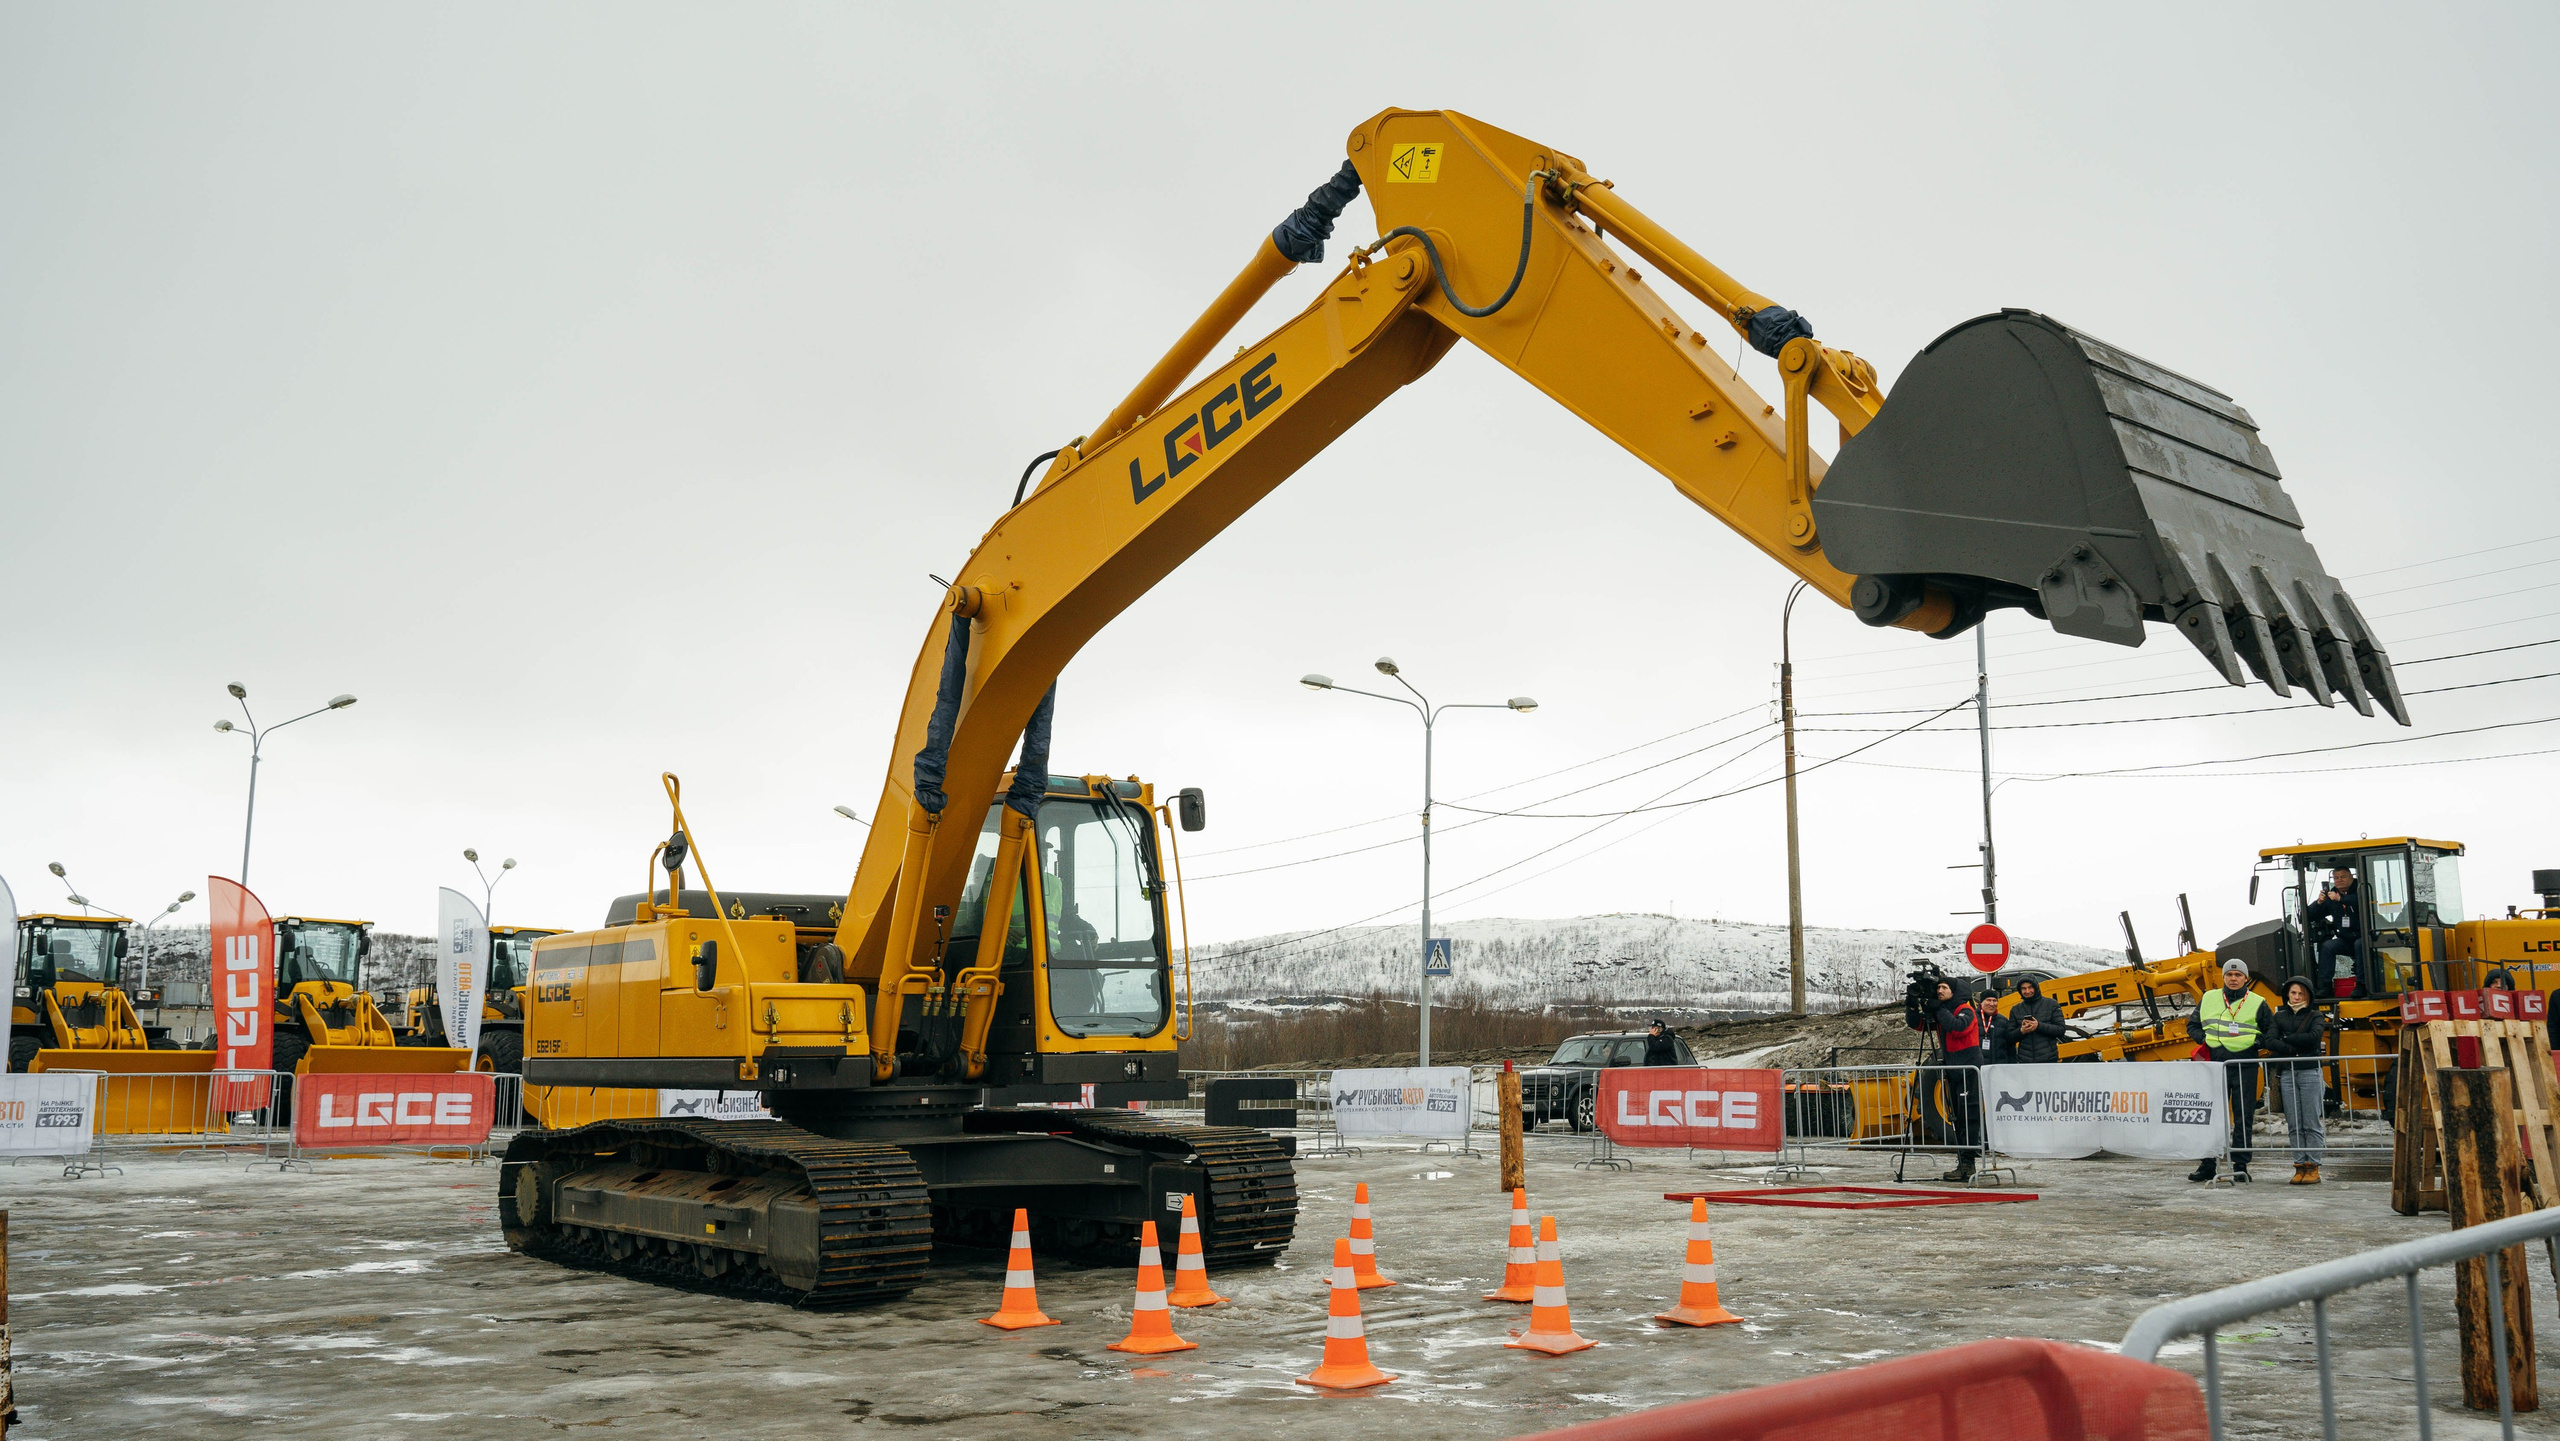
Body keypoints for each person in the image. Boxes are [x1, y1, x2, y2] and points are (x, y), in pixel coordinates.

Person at [2191, 958, 2273, 1183]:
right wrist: (2204, 1040)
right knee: (2212, 1116)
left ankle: (2240, 1165)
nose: (2234, 979)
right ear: (2223, 977)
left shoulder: (2258, 1002)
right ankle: (2208, 1163)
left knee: (2243, 1116)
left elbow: (2271, 1032)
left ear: (2246, 978)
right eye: (2229, 975)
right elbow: (2193, 1025)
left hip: (2245, 1064)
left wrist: (2258, 1043)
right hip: (2215, 1064)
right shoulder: (2209, 998)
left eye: (2238, 975)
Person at [2265, 976, 2328, 1184]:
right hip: (2288, 1074)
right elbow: (2270, 1040)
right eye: (2293, 992)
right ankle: (2299, 1165)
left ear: (2308, 995)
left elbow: (2314, 1038)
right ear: (2287, 995)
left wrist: (2286, 1039)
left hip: (2310, 1072)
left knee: (2311, 1121)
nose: (2297, 996)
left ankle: (2313, 1166)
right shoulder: (2279, 1016)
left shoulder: (2316, 1015)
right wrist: (2293, 1047)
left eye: (2301, 993)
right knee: (2294, 1122)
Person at [1931, 979, 1985, 1182]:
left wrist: (1939, 1010)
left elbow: (1957, 1027)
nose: (1940, 991)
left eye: (1944, 988)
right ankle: (1962, 1161)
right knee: (1957, 1116)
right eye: (1938, 988)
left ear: (1955, 991)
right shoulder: (1944, 1010)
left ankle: (1968, 1163)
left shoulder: (1966, 1009)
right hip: (1953, 1067)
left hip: (1967, 1067)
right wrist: (1912, 1004)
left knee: (1968, 1115)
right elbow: (1917, 1024)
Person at [2307, 868, 2363, 997]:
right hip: (2345, 939)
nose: (2339, 880)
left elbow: (2360, 901)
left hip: (2364, 937)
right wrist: (2319, 903)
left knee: (2360, 945)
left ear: (2351, 877)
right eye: (2336, 878)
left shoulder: (2361, 889)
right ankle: (2325, 986)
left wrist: (2341, 899)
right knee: (2328, 946)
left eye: (2343, 877)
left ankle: (2361, 985)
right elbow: (2308, 916)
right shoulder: (2331, 896)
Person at [1995, 977, 2067, 1065]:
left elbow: (2060, 1030)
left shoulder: (2051, 1004)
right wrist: (2021, 1031)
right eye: (2024, 988)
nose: (2027, 991)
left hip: (2048, 1060)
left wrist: (2038, 1026)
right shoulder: (2016, 1009)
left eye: (2030, 987)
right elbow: (2009, 1037)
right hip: (2025, 1061)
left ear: (2036, 988)